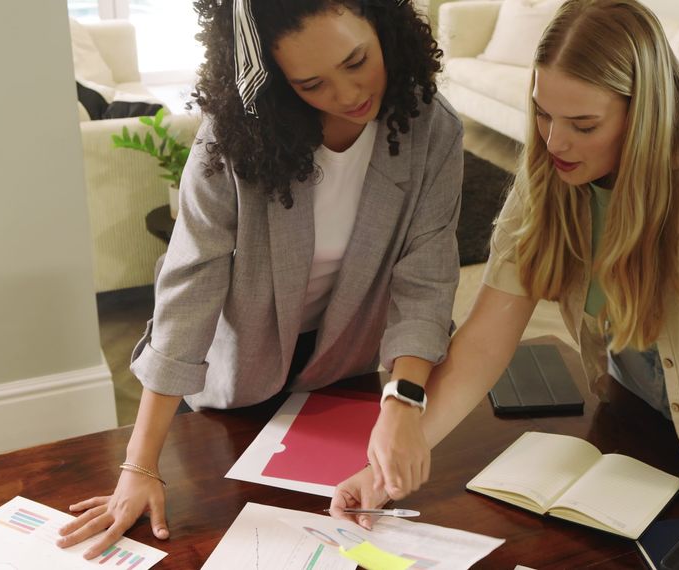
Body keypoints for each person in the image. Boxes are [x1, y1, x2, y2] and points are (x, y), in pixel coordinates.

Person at [333, 0, 679, 530]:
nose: (555, 141)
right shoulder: (554, 173)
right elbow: (485, 337)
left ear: (643, 113)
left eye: (583, 124)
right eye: (544, 113)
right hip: (647, 384)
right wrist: (381, 473)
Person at [58, 0, 463, 558]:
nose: (347, 95)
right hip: (236, 378)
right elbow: (190, 285)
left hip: (343, 368)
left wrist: (403, 401)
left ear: (384, 27)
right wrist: (140, 463)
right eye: (312, 82)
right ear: (273, 82)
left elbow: (426, 274)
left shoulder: (431, 128)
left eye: (357, 60)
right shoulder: (234, 137)